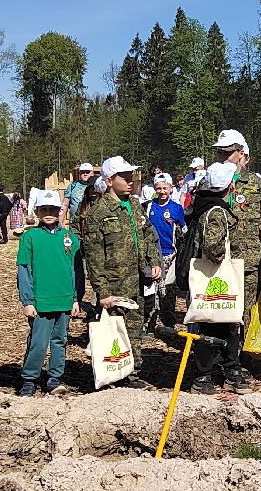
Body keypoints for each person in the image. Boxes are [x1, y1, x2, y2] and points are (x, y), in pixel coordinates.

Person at [81, 156, 162, 379]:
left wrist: (154, 261)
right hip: (114, 283)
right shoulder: (99, 212)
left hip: (138, 280)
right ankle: (114, 374)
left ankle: (133, 372)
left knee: (135, 328)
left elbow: (147, 235)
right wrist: (102, 291)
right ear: (109, 181)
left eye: (131, 176)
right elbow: (94, 255)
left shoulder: (135, 204)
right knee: (115, 331)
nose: (130, 181)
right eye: (124, 177)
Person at [210, 129, 261, 390]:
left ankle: (236, 362)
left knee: (241, 314)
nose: (223, 156)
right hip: (217, 261)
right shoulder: (209, 180)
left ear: (242, 152)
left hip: (248, 260)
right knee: (216, 312)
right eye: (220, 151)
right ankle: (214, 363)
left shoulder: (255, 183)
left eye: (228, 152)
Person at [181, 161, 244, 397]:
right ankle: (205, 374)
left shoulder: (201, 205)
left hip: (208, 276)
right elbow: (212, 247)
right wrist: (225, 255)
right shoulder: (216, 212)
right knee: (214, 324)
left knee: (219, 323)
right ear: (228, 185)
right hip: (215, 276)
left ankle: (221, 370)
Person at [15, 190, 83, 397]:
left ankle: (54, 377)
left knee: (60, 339)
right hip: (40, 301)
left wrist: (76, 298)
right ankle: (30, 378)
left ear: (60, 211)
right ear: (36, 211)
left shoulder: (69, 238)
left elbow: (77, 271)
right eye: (43, 209)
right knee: (38, 341)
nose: (48, 213)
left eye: (52, 209)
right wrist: (27, 300)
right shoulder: (30, 237)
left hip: (64, 299)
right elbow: (24, 269)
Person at [145, 173, 186, 334]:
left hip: (171, 255)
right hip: (153, 254)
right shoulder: (149, 207)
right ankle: (149, 324)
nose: (161, 191)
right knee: (152, 291)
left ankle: (169, 324)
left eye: (164, 188)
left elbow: (183, 230)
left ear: (170, 188)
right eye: (158, 188)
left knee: (168, 291)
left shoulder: (176, 208)